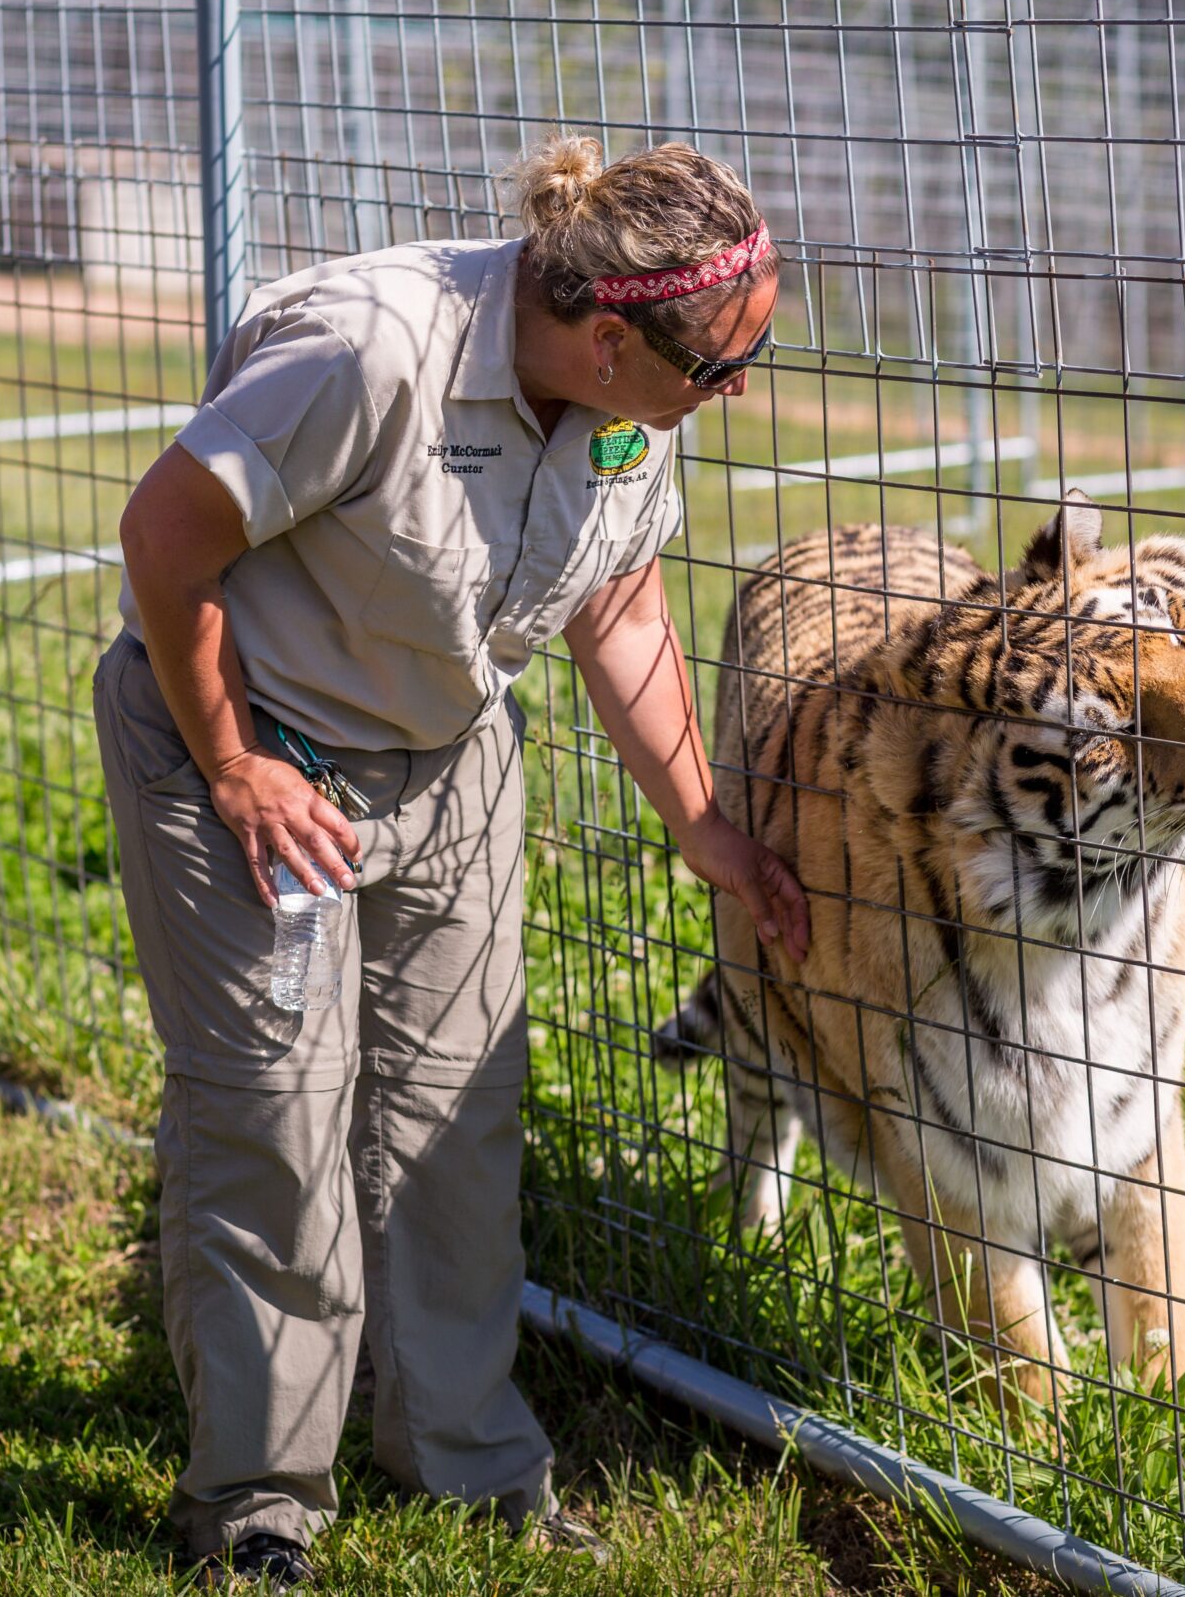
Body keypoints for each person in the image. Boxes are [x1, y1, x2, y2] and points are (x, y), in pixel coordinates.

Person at [93, 136, 813, 1589]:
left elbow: (616, 601)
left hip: (449, 760)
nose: (736, 395)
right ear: (612, 337)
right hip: (256, 750)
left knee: (451, 1124)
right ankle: (258, 1501)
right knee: (275, 1129)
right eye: (720, 372)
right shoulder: (369, 355)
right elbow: (164, 539)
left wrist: (707, 829)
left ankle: (464, 1459)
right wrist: (235, 763)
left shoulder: (626, 406)